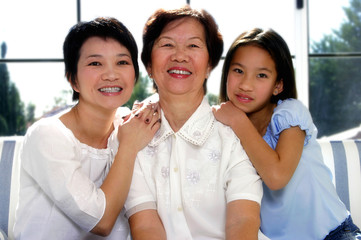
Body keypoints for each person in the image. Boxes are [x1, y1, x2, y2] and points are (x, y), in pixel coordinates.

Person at [124, 6, 268, 240]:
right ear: (149, 66)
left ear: (210, 65)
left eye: (193, 45)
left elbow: (243, 219)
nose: (180, 56)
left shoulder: (234, 133)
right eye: (167, 44)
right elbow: (145, 226)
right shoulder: (132, 136)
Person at [13, 17, 160, 239]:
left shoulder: (127, 122)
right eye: (95, 63)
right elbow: (100, 222)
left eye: (122, 62)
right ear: (73, 80)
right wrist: (128, 147)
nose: (111, 74)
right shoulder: (47, 135)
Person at [212, 28, 361, 240]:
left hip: (335, 235)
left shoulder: (289, 113)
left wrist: (237, 120)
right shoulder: (225, 132)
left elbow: (276, 177)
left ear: (278, 85)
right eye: (238, 71)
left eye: (261, 75)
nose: (245, 84)